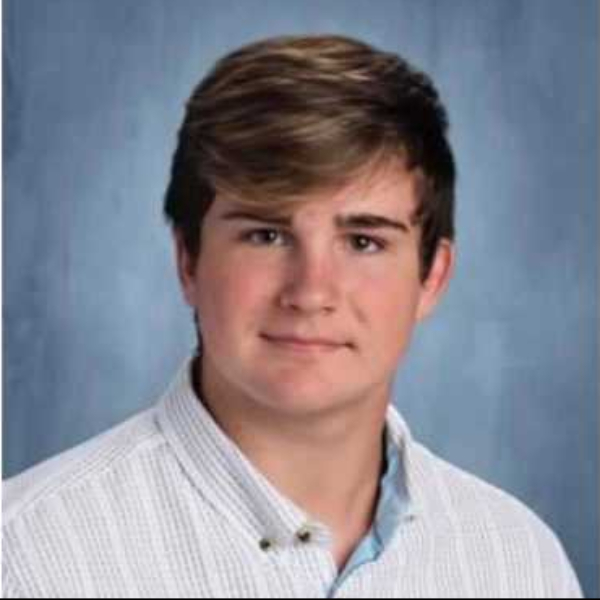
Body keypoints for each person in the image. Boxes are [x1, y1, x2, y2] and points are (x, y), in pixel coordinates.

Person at [3, 34, 583, 598]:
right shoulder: (25, 558)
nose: (311, 292)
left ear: (432, 276)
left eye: (363, 242)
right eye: (266, 234)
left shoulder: (518, 562)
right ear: (188, 261)